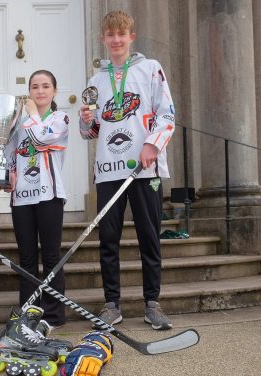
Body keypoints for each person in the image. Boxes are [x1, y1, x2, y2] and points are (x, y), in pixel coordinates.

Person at [79, 11, 176, 330]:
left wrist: (153, 144)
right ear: (103, 39)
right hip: (108, 170)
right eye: (111, 35)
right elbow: (91, 132)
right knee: (109, 239)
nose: (116, 40)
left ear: (131, 37)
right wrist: (85, 120)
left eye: (122, 34)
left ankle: (153, 303)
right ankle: (112, 305)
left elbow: (167, 113)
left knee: (149, 235)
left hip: (144, 170)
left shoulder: (150, 69)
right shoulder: (95, 80)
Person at [3, 70, 69, 327]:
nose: (39, 91)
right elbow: (10, 150)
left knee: (51, 254)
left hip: (49, 196)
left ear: (54, 91)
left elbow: (41, 139)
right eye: (34, 87)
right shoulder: (18, 121)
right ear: (29, 91)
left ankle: (53, 314)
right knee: (27, 256)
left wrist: (30, 114)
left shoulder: (60, 118)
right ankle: (30, 311)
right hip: (22, 198)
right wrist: (7, 173)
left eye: (45, 86)